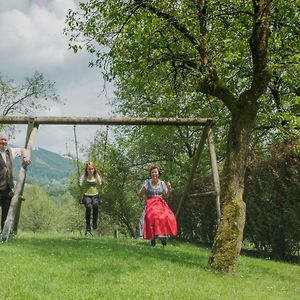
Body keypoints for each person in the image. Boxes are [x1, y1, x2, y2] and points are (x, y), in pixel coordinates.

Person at [139, 165, 177, 246]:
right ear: (150, 174)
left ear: (158, 174)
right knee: (151, 216)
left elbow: (166, 195)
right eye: (152, 172)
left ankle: (163, 236)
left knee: (167, 216)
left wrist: (169, 188)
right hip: (150, 203)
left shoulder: (162, 183)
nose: (154, 174)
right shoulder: (147, 182)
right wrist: (142, 190)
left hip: (160, 203)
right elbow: (140, 194)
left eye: (155, 172)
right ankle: (152, 237)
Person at [0, 132, 31, 231]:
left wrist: (26, 157)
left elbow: (23, 150)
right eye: (2, 139)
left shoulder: (10, 151)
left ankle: (3, 236)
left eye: (5, 140)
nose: (4, 142)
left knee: (6, 215)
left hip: (7, 189)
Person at [78, 161, 102, 233]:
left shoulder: (96, 176)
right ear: (86, 170)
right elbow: (81, 185)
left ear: (94, 169)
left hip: (95, 195)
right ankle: (88, 224)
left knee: (95, 205)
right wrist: (78, 184)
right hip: (86, 195)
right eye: (89, 169)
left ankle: (94, 223)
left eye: (92, 169)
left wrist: (102, 183)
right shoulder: (84, 176)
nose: (91, 170)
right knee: (88, 207)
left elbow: (100, 183)